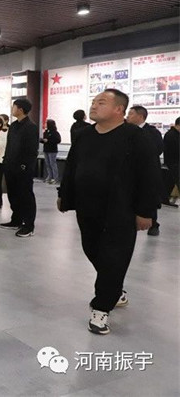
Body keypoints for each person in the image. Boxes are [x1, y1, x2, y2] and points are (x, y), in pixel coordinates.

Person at [58, 89, 161, 335]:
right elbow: (72, 167)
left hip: (121, 209)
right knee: (92, 249)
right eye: (93, 102)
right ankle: (115, 289)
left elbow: (150, 175)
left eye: (101, 102)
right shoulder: (84, 135)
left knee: (115, 256)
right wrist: (64, 195)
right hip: (88, 207)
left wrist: (146, 211)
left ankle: (101, 307)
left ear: (118, 109)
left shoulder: (135, 137)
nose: (94, 106)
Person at [0, 99, 39, 237]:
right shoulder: (14, 126)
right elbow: (9, 145)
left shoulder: (30, 127)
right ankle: (16, 220)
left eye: (14, 106)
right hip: (10, 165)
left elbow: (32, 150)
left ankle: (28, 225)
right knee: (13, 194)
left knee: (25, 196)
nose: (12, 109)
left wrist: (25, 166)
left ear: (21, 109)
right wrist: (6, 161)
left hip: (23, 168)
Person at [125, 105, 164, 236]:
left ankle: (153, 224)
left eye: (131, 114)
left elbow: (158, 149)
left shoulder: (152, 132)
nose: (127, 116)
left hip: (147, 170)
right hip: (129, 171)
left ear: (140, 116)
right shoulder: (126, 131)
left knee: (149, 196)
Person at [163, 117, 180, 207]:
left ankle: (165, 199)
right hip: (173, 163)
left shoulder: (175, 134)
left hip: (175, 163)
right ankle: (165, 199)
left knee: (170, 183)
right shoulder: (171, 135)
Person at [40, 119, 62, 184]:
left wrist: (48, 141)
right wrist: (42, 140)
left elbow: (58, 140)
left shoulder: (55, 132)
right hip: (46, 149)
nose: (45, 124)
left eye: (46, 123)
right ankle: (50, 176)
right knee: (48, 164)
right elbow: (44, 140)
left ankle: (55, 178)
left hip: (52, 150)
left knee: (53, 164)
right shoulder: (46, 132)